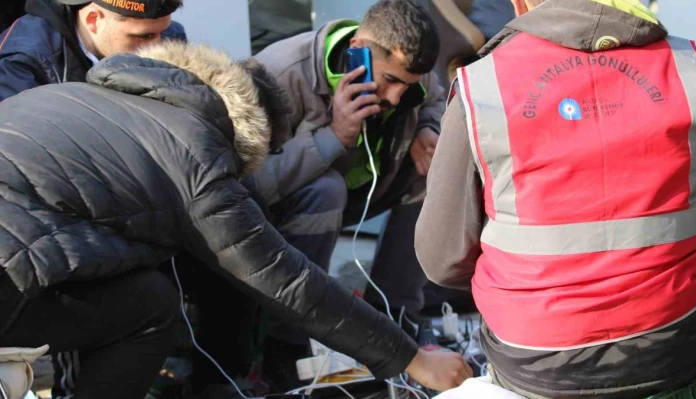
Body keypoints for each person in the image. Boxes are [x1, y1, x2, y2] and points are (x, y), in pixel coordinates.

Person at [0, 40, 472, 399]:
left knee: (140, 291)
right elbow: (287, 283)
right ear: (249, 136)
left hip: (18, 254)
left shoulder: (75, 94)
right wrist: (411, 359)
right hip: (8, 274)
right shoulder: (196, 153)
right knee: (149, 308)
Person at [416, 0, 696, 398]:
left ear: (522, 3)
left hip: (535, 364)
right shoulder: (694, 69)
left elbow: (441, 259)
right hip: (675, 349)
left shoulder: (481, 87)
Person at [251, 0, 446, 384]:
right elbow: (253, 183)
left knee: (433, 169)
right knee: (326, 189)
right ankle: (286, 341)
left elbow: (435, 99)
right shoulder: (279, 74)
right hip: (289, 207)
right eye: (389, 81)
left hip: (368, 187)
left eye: (407, 87)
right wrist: (333, 137)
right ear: (357, 46)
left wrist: (429, 129)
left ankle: (397, 315)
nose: (394, 97)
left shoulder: (408, 74)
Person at [0, 0, 186, 102]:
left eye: (163, 31)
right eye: (143, 36)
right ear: (93, 20)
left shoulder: (171, 37)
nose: (157, 46)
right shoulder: (21, 65)